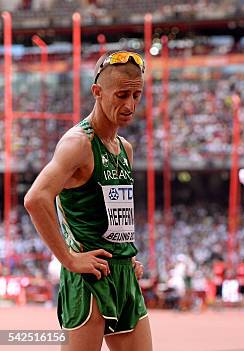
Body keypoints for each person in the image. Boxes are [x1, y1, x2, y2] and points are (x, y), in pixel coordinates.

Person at [24, 51, 151, 351]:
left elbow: (114, 210)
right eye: (121, 95)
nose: (130, 105)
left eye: (137, 95)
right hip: (89, 277)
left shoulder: (125, 148)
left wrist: (126, 255)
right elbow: (35, 199)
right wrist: (68, 259)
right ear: (97, 91)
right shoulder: (78, 144)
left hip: (122, 273)